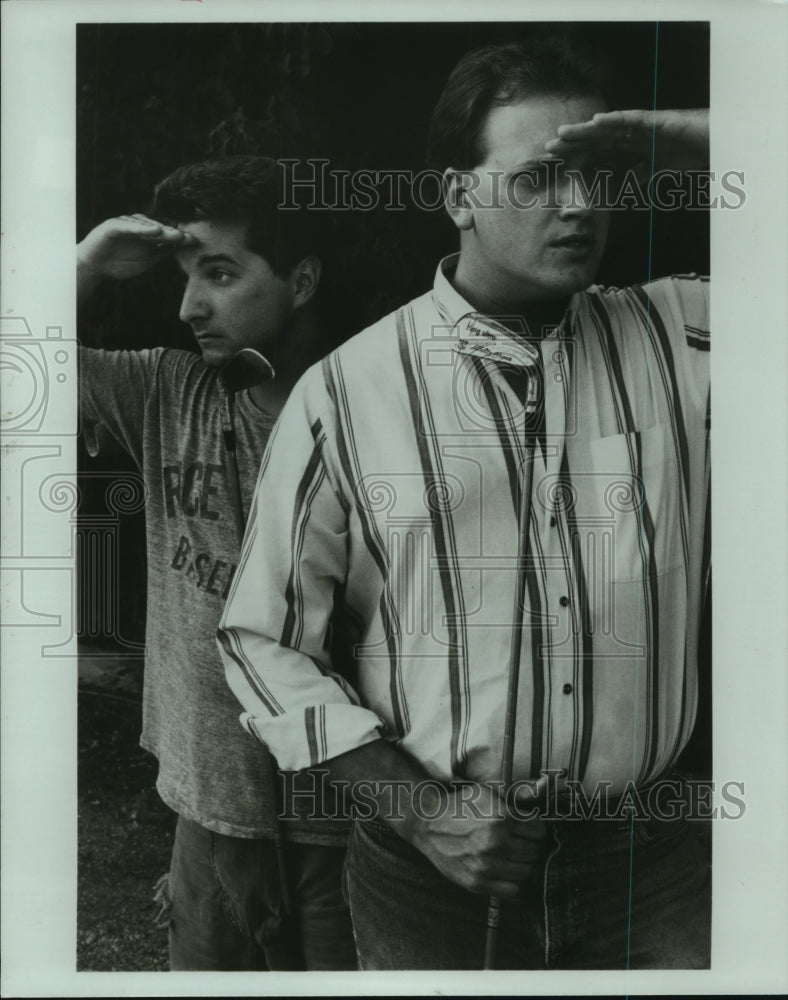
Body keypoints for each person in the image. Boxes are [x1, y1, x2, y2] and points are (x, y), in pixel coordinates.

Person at [217, 39, 712, 970]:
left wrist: (716, 146)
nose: (578, 206)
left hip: (657, 870)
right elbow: (261, 639)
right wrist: (418, 810)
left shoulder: (687, 337)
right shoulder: (349, 392)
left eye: (596, 175)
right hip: (431, 880)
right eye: (537, 180)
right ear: (457, 197)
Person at [78, 155, 356, 971]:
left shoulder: (379, 402)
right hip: (207, 814)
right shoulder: (170, 390)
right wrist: (85, 264)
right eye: (185, 277)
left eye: (222, 274)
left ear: (300, 278)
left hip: (351, 822)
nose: (188, 305)